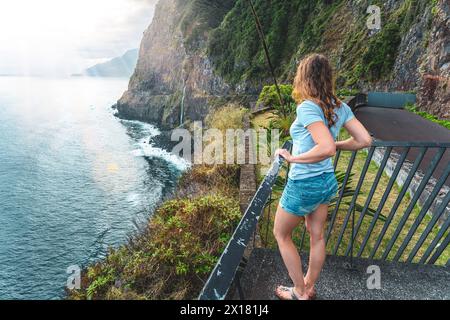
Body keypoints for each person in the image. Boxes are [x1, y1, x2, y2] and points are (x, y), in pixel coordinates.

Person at [273, 54, 372, 300]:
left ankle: (298, 291)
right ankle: (308, 286)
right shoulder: (339, 106)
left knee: (281, 234)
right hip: (326, 181)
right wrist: (336, 144)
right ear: (328, 77)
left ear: (304, 78)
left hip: (304, 184)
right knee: (316, 235)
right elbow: (364, 140)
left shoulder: (307, 106)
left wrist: (294, 158)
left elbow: (325, 147)